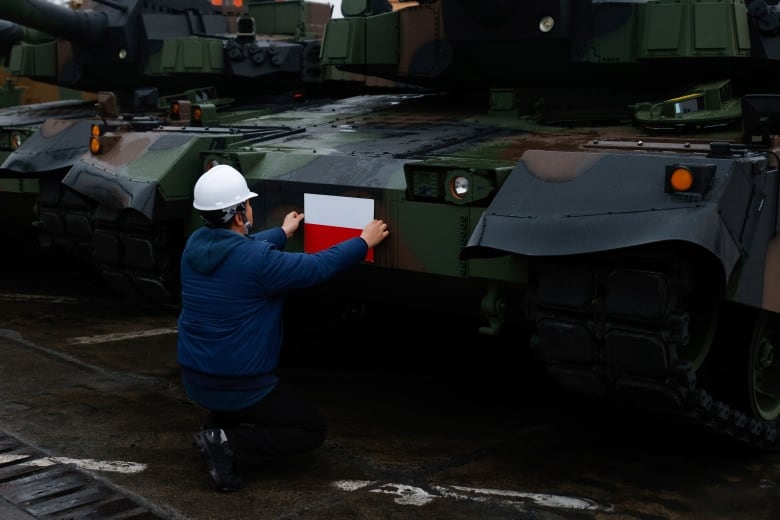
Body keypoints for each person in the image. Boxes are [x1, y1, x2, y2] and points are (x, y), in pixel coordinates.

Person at [177, 164, 389, 492]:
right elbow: (318, 265)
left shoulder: (194, 247)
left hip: (195, 377)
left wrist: (282, 232)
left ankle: (216, 427)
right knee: (310, 429)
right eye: (247, 205)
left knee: (231, 396)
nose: (250, 209)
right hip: (240, 383)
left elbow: (239, 251)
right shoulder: (260, 263)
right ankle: (227, 443)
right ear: (238, 216)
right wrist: (363, 241)